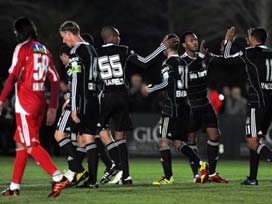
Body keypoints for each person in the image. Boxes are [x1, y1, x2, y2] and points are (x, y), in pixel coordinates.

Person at [96, 26, 178, 184]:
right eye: (118, 36)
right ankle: (126, 176)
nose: (120, 38)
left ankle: (116, 164)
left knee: (100, 132)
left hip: (106, 96)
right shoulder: (124, 50)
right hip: (121, 96)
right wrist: (162, 46)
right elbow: (145, 62)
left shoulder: (96, 53)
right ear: (112, 37)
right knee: (121, 137)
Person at [0, 17, 69, 198]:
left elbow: (13, 76)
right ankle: (14, 187)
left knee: (31, 145)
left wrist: (1, 99)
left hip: (26, 103)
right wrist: (53, 106)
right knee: (21, 143)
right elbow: (54, 80)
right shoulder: (44, 50)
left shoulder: (22, 48)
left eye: (16, 32)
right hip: (40, 102)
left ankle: (58, 177)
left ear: (20, 32)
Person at [142, 33, 202, 185]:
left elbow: (166, 84)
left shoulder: (168, 63)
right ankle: (201, 164)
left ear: (167, 46)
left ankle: (168, 177)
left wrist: (151, 88)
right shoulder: (184, 62)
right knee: (178, 143)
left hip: (172, 107)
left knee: (163, 141)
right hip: (184, 106)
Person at [224, 27, 272, 185]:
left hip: (257, 103)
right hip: (269, 103)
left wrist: (228, 41)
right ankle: (252, 178)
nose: (247, 38)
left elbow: (226, 57)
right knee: (256, 139)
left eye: (249, 36)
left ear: (253, 39)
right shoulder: (270, 53)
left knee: (251, 142)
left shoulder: (250, 53)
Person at [180, 31, 228, 183]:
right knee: (191, 138)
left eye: (195, 39)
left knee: (215, 135)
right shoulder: (181, 62)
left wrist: (225, 47)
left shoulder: (205, 57)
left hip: (205, 103)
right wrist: (200, 57)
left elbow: (223, 61)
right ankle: (197, 174)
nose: (194, 42)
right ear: (183, 45)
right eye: (191, 40)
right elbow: (186, 72)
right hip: (190, 104)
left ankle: (212, 173)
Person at [59, 21, 101, 188]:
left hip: (82, 100)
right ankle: (91, 181)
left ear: (70, 34)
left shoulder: (76, 51)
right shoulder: (92, 49)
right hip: (93, 99)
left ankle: (79, 172)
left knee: (63, 134)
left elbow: (75, 80)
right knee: (88, 139)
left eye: (64, 37)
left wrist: (74, 107)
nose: (64, 41)